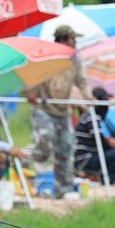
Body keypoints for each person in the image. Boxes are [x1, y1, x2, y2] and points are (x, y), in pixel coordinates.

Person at [24, 24, 91, 198]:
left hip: (63, 110)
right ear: (63, 39)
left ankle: (63, 190)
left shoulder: (75, 59)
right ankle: (28, 157)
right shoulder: (46, 54)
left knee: (66, 148)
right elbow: (31, 74)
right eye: (72, 39)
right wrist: (30, 91)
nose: (75, 43)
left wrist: (88, 97)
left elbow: (82, 81)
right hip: (43, 107)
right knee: (46, 138)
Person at [74, 88, 115, 183]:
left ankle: (110, 177)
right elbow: (99, 141)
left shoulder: (94, 117)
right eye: (104, 101)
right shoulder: (91, 117)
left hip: (90, 156)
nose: (106, 104)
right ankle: (108, 180)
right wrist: (113, 144)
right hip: (85, 160)